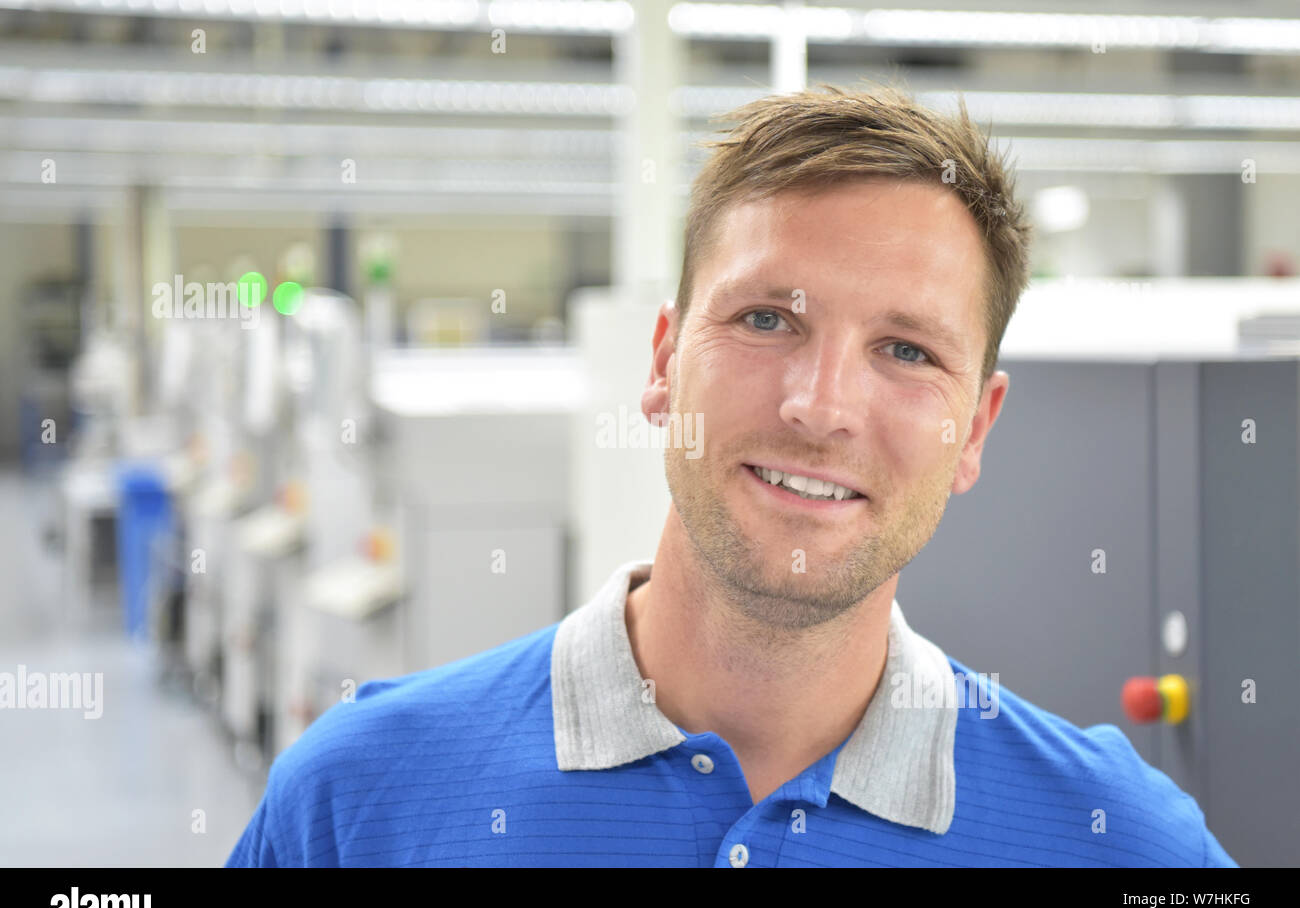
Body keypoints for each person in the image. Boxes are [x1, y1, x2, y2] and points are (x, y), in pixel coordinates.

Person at [227, 83, 1236, 867]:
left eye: (907, 351)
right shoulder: (361, 802)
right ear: (664, 362)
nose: (820, 406)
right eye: (766, 320)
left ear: (975, 427)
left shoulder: (1120, 842)